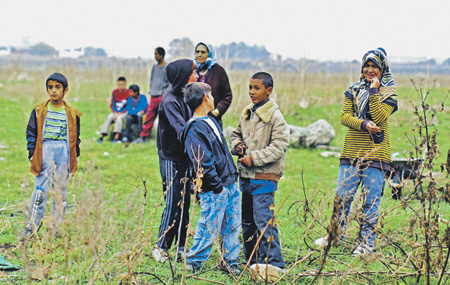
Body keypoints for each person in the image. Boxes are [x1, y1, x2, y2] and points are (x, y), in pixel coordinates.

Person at [314, 48, 398, 255]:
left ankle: (366, 244)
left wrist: (374, 91)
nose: (370, 70)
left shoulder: (389, 93)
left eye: (374, 67)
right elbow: (344, 117)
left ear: (382, 69)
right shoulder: (352, 90)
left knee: (371, 200)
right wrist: (363, 124)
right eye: (366, 66)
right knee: (342, 196)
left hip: (376, 153)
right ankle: (335, 235)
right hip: (351, 151)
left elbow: (379, 117)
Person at [229, 72, 289, 272]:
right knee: (248, 221)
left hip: (264, 178)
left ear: (269, 90)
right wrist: (237, 145)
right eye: (250, 87)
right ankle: (252, 260)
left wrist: (253, 158)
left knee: (264, 222)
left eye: (257, 88)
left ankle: (274, 263)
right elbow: (235, 134)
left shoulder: (275, 117)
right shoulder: (247, 112)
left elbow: (279, 146)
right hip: (246, 177)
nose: (252, 92)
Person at [181, 82, 241, 275]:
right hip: (215, 188)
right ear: (206, 97)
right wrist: (217, 187)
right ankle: (193, 260)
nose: (214, 98)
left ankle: (230, 260)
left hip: (229, 183)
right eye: (211, 95)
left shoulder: (211, 121)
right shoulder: (194, 129)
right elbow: (202, 162)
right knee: (209, 224)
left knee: (233, 224)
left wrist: (231, 178)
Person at [22, 72, 82, 239]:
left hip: (64, 152)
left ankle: (58, 228)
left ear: (65, 90)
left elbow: (75, 137)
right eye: (50, 87)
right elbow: (31, 133)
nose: (54, 91)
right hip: (44, 150)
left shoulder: (72, 113)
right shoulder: (39, 111)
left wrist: (74, 156)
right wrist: (32, 153)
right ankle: (31, 228)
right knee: (40, 191)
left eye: (58, 87)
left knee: (61, 192)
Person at [152, 59, 199, 263]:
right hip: (171, 157)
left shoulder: (185, 98)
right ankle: (161, 247)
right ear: (182, 76)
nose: (197, 77)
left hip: (185, 156)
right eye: (193, 73)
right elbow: (182, 129)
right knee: (173, 201)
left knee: (185, 202)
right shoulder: (169, 101)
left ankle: (181, 246)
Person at [194, 42, 232, 127]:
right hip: (194, 119)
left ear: (209, 54)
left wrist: (217, 112)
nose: (199, 55)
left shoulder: (218, 71)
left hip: (213, 119)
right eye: (197, 52)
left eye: (203, 52)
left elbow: (227, 95)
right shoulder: (193, 71)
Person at [137, 47, 171, 143]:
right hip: (153, 96)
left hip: (162, 97)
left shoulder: (167, 68)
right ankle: (143, 137)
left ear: (161, 55)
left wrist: (165, 94)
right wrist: (151, 91)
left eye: (156, 54)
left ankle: (163, 139)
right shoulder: (154, 67)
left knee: (163, 119)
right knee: (149, 117)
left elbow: (170, 84)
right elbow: (152, 80)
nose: (155, 56)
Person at [96, 76, 129, 143]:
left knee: (119, 118)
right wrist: (114, 112)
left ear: (125, 85)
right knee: (109, 117)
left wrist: (121, 112)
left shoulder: (128, 92)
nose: (121, 87)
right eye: (119, 85)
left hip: (124, 112)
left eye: (122, 85)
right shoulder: (115, 92)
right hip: (115, 112)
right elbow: (112, 104)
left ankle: (116, 137)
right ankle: (102, 136)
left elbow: (129, 105)